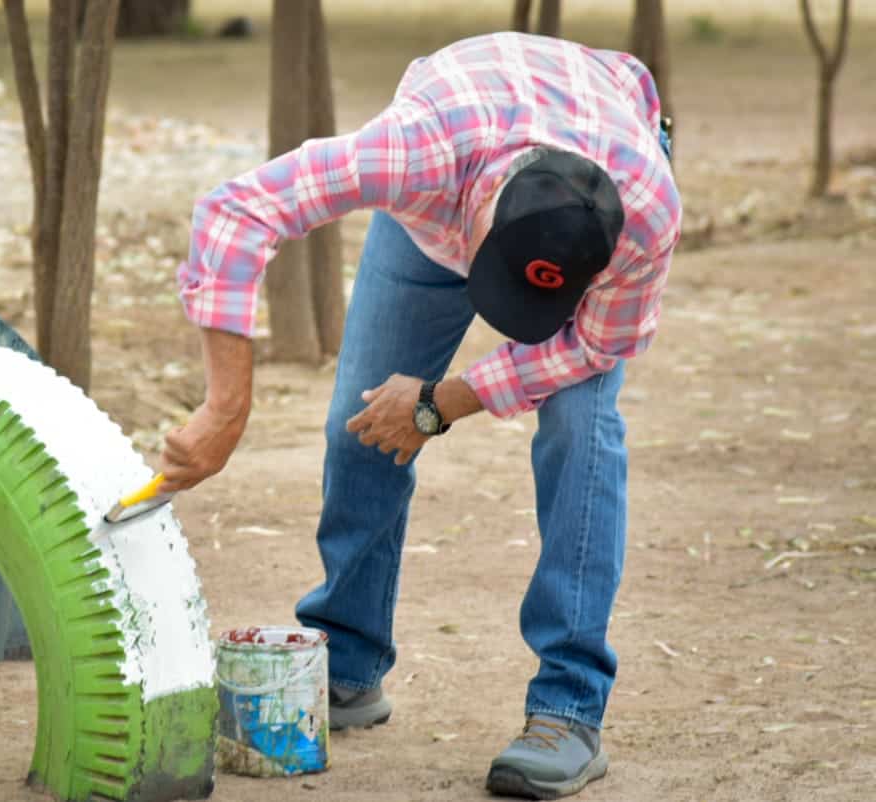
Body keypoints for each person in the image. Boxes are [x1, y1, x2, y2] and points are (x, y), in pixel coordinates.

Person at [160, 31, 681, 800]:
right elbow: (238, 212)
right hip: (461, 157)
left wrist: (439, 405)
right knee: (362, 414)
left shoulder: (644, 218)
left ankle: (568, 710)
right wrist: (226, 409)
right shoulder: (416, 157)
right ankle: (347, 662)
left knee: (581, 432)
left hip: (608, 137)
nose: (510, 315)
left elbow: (590, 351)